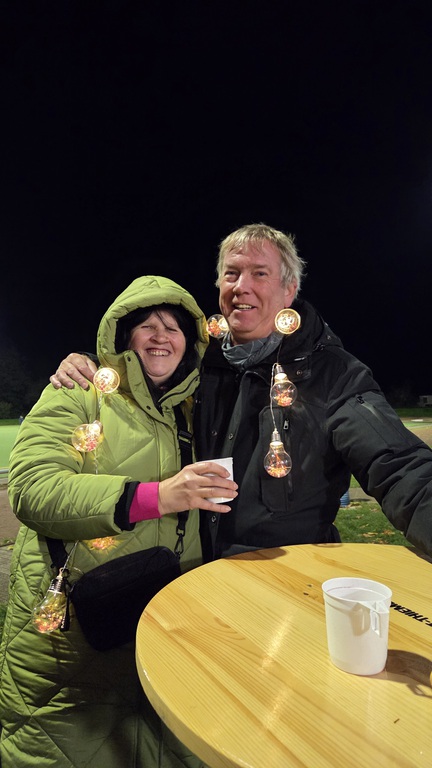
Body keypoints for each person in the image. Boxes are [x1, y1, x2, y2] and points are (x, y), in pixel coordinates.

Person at [49, 223, 432, 562]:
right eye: (231, 274)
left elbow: (399, 465)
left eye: (259, 273)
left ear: (289, 290)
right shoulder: (197, 365)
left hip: (287, 574)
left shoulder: (333, 373)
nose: (241, 286)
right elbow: (140, 372)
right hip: (194, 573)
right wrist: (90, 363)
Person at [0, 275, 237, 768]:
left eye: (173, 327)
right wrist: (157, 497)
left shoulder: (197, 408)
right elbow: (32, 489)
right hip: (74, 632)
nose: (160, 336)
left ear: (189, 342)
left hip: (170, 619)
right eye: (146, 325)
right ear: (123, 337)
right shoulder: (80, 392)